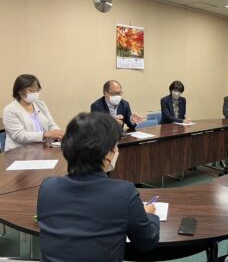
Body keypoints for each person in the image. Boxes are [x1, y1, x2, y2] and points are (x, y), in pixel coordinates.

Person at [37, 112, 160, 262]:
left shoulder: (47, 187)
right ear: (108, 154)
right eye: (116, 146)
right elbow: (147, 242)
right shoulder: (124, 192)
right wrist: (150, 215)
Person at [2, 74, 63, 152]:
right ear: (19, 91)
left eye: (37, 90)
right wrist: (44, 134)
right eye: (31, 90)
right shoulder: (10, 110)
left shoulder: (40, 104)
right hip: (20, 153)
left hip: (43, 149)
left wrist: (58, 134)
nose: (35, 93)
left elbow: (51, 124)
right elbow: (20, 135)